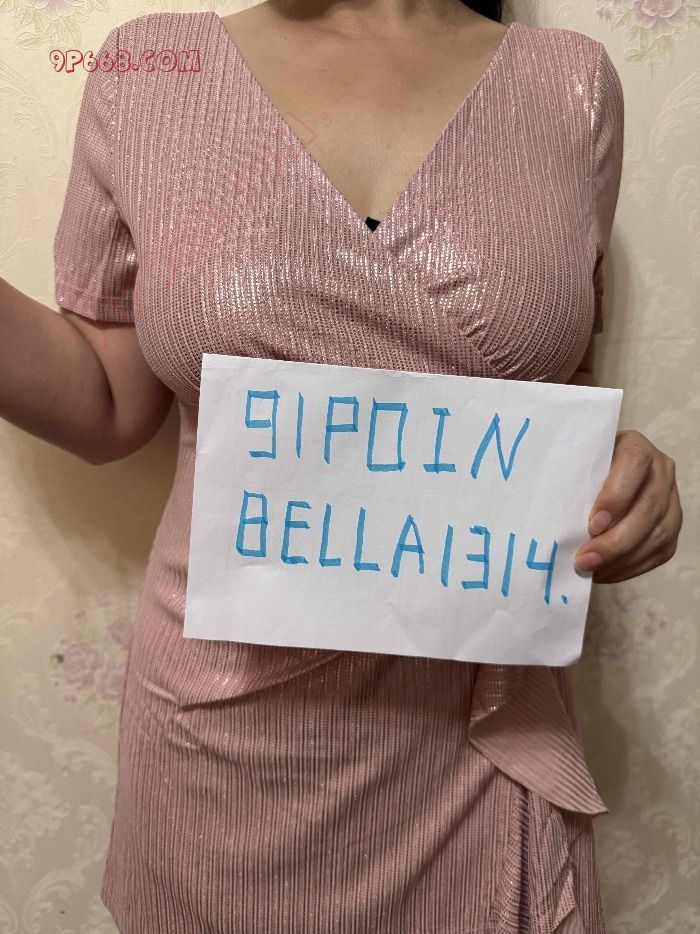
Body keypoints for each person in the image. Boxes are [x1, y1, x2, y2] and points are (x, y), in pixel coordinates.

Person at [0, 1, 683, 931]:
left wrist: (627, 477)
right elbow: (111, 404)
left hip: (480, 743)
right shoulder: (149, 67)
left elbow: (549, 398)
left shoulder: (571, 82)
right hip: (220, 746)